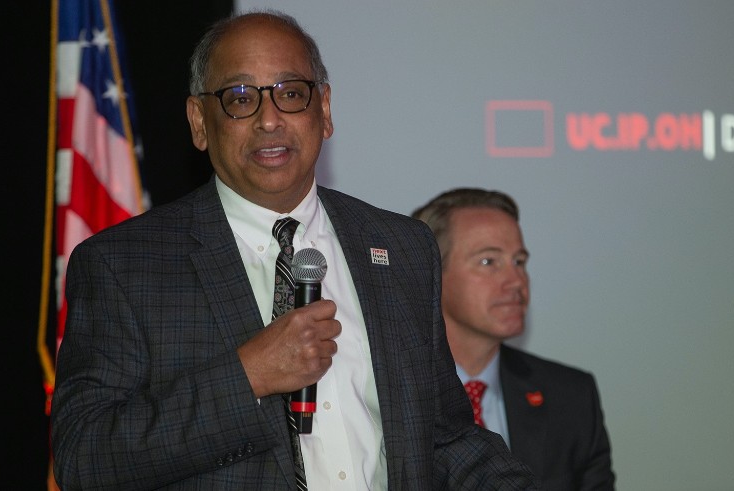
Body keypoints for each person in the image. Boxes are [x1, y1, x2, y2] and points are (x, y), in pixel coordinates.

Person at [49, 10, 539, 491]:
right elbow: (85, 458)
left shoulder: (401, 248)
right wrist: (248, 378)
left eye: (290, 94)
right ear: (200, 121)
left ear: (323, 110)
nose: (269, 119)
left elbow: (443, 439)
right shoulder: (124, 264)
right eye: (240, 97)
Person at [412, 188, 616, 491]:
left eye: (519, 262)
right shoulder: (389, 393)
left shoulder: (571, 396)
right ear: (431, 273)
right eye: (488, 262)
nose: (516, 281)